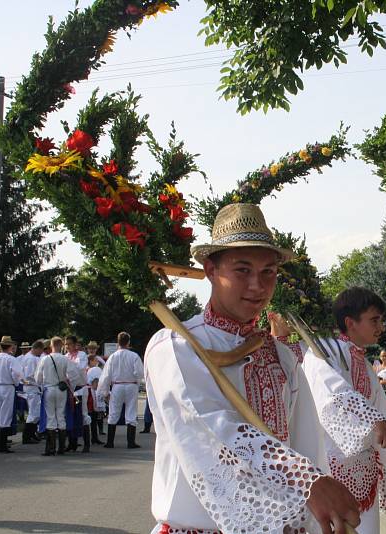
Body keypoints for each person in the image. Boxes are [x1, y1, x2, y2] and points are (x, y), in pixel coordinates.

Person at [144, 203, 359, 533]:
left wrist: (313, 510)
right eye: (242, 270)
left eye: (268, 272)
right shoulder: (177, 346)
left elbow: (304, 441)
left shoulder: (280, 356)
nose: (258, 286)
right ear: (210, 270)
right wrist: (307, 481)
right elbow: (212, 430)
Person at [302, 286, 386, 534]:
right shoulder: (324, 350)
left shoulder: (357, 355)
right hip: (332, 467)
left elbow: (376, 404)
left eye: (380, 320)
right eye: (374, 320)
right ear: (350, 323)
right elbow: (332, 394)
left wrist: (383, 429)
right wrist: (375, 421)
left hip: (364, 467)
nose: (381, 327)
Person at [36, 336, 82, 456]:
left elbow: (38, 378)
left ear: (51, 346)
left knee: (50, 417)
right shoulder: (65, 359)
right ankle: (61, 448)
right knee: (61, 416)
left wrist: (41, 385)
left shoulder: (45, 359)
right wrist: (68, 384)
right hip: (61, 389)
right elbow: (75, 375)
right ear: (61, 346)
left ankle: (50, 449)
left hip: (49, 389)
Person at [99, 331, 144, 449]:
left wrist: (104, 392)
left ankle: (110, 442)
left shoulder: (112, 357)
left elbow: (106, 375)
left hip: (117, 386)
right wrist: (137, 379)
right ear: (128, 342)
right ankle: (130, 442)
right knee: (131, 412)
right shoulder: (134, 356)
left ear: (118, 342)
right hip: (131, 385)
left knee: (113, 412)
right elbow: (139, 373)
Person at [20, 340, 44, 444]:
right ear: (37, 348)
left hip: (33, 387)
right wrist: (40, 380)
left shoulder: (31, 357)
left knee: (35, 412)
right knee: (33, 413)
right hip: (32, 387)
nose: (41, 353)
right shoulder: (30, 359)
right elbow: (30, 374)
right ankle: (27, 436)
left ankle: (31, 434)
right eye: (41, 350)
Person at [86, 354, 106, 445]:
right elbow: (95, 384)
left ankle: (93, 437)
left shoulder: (86, 369)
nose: (97, 362)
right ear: (91, 361)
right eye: (95, 360)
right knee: (93, 416)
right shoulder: (95, 370)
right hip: (92, 394)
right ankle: (94, 437)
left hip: (86, 392)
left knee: (90, 416)